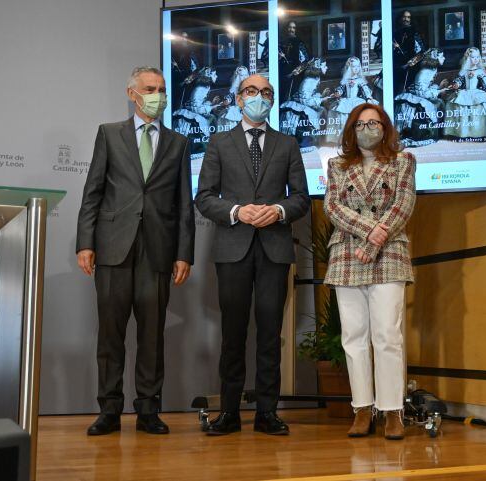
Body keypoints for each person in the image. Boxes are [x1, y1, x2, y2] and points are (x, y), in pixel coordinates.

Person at [76, 66, 195, 436]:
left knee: (152, 335)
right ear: (132, 94)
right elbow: (92, 192)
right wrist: (85, 242)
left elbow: (183, 205)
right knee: (110, 335)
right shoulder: (109, 134)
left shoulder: (178, 142)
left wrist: (184, 253)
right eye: (150, 89)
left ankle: (148, 410)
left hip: (158, 250)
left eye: (161, 89)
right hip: (113, 247)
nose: (157, 95)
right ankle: (109, 410)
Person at [196, 74, 310, 436]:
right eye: (251, 91)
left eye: (266, 93)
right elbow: (205, 197)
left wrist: (277, 211)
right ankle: (228, 413)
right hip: (233, 249)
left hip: (275, 249)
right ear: (238, 99)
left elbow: (301, 198)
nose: (258, 97)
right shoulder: (219, 142)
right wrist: (236, 212)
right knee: (233, 334)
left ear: (272, 101)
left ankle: (267, 413)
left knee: (269, 334)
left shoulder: (288, 143)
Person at [323, 103, 415, 440]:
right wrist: (369, 231)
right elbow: (332, 206)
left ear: (385, 127)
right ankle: (362, 409)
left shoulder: (403, 160)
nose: (367, 128)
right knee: (353, 337)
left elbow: (404, 203)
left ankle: (393, 411)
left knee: (388, 336)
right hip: (347, 255)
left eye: (374, 123)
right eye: (360, 124)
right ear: (351, 129)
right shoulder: (337, 165)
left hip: (389, 253)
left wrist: (377, 239)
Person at [443, 47, 486, 141]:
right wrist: (456, 84)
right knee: (456, 104)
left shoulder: (480, 71)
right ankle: (464, 132)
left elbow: (485, 81)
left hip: (478, 91)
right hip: (466, 92)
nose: (476, 59)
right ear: (468, 58)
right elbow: (460, 80)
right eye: (473, 57)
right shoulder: (464, 71)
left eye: (477, 57)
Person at [394, 48, 450, 147]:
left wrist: (438, 88)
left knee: (440, 102)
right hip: (416, 96)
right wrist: (439, 91)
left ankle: (441, 131)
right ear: (435, 58)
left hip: (421, 93)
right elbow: (422, 93)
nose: (444, 58)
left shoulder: (433, 69)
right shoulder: (426, 71)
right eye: (441, 56)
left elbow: (426, 86)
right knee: (435, 104)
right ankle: (428, 134)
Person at [326, 56, 378, 144]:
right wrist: (338, 92)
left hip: (357, 101)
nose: (356, 69)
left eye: (358, 66)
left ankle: (359, 138)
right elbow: (341, 89)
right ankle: (344, 138)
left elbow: (365, 90)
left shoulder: (360, 80)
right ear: (349, 68)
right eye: (354, 67)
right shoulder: (345, 80)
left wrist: (369, 98)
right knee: (341, 114)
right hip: (347, 100)